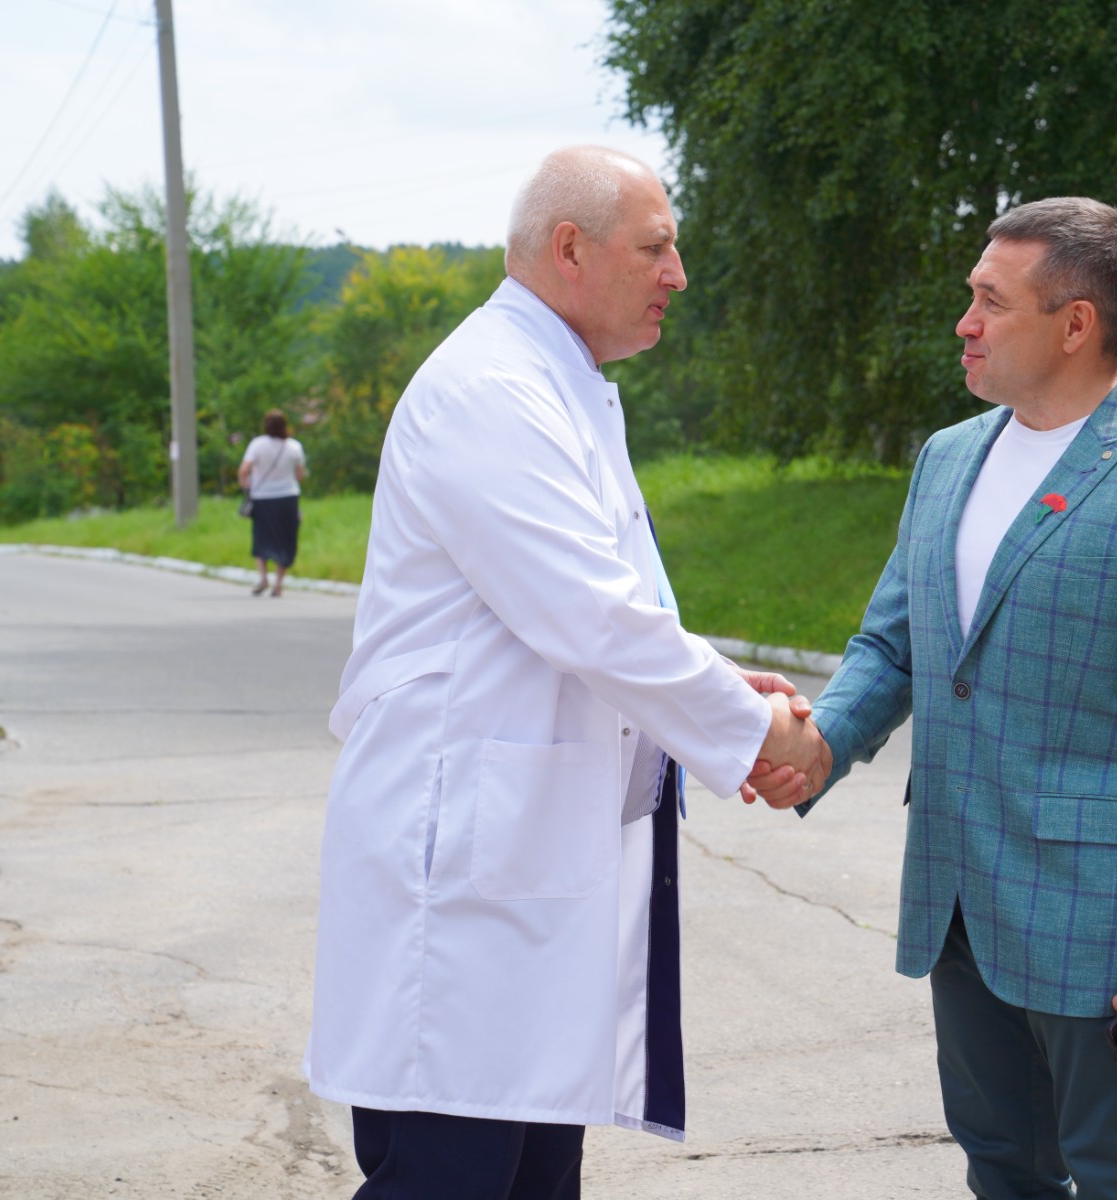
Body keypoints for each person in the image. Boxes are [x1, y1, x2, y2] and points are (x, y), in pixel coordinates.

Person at [305, 146, 829, 1200]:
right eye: (657, 248)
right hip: (463, 887)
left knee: (532, 1181)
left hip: (526, 885)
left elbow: (609, 602)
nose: (679, 274)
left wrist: (729, 687)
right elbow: (592, 616)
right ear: (571, 249)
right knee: (448, 1181)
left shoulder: (558, 382)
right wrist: (758, 736)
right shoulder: (491, 389)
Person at [751, 198, 1117, 1199]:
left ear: (1075, 324)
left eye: (991, 301)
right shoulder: (949, 457)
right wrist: (818, 750)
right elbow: (894, 644)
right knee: (1000, 1169)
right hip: (959, 902)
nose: (966, 322)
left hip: (1103, 927)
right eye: (970, 297)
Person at [238, 408, 307, 596]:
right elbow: (300, 476)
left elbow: (244, 471)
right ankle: (278, 584)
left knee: (261, 538)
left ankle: (263, 578)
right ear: (285, 425)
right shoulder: (294, 447)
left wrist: (247, 487)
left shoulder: (257, 445)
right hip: (288, 497)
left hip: (262, 498)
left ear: (266, 425)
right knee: (285, 539)